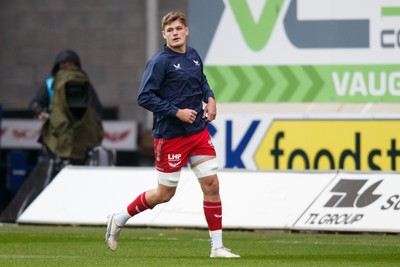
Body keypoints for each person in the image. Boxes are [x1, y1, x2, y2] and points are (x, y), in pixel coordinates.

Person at [105, 11, 240, 258]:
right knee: (164, 194)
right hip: (170, 136)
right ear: (164, 34)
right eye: (170, 30)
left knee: (211, 183)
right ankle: (119, 218)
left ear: (186, 31)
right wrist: (176, 112)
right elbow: (144, 97)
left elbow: (202, 82)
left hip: (197, 132)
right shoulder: (159, 62)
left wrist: (209, 98)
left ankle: (217, 247)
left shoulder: (194, 55)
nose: (175, 33)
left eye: (179, 29)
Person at [29, 49, 104, 172]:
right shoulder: (51, 83)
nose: (67, 66)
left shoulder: (84, 84)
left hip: (63, 138)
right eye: (64, 63)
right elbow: (98, 110)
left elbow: (96, 109)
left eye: (70, 63)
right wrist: (40, 111)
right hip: (69, 138)